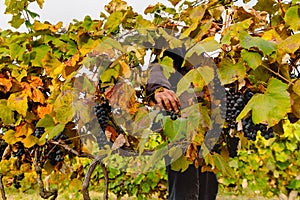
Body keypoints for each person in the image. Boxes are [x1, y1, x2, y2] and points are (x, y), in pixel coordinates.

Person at [146, 47, 219, 200]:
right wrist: (159, 88)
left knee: (208, 191)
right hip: (183, 133)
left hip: (208, 134)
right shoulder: (180, 48)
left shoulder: (219, 54)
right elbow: (159, 67)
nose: (211, 28)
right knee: (183, 192)